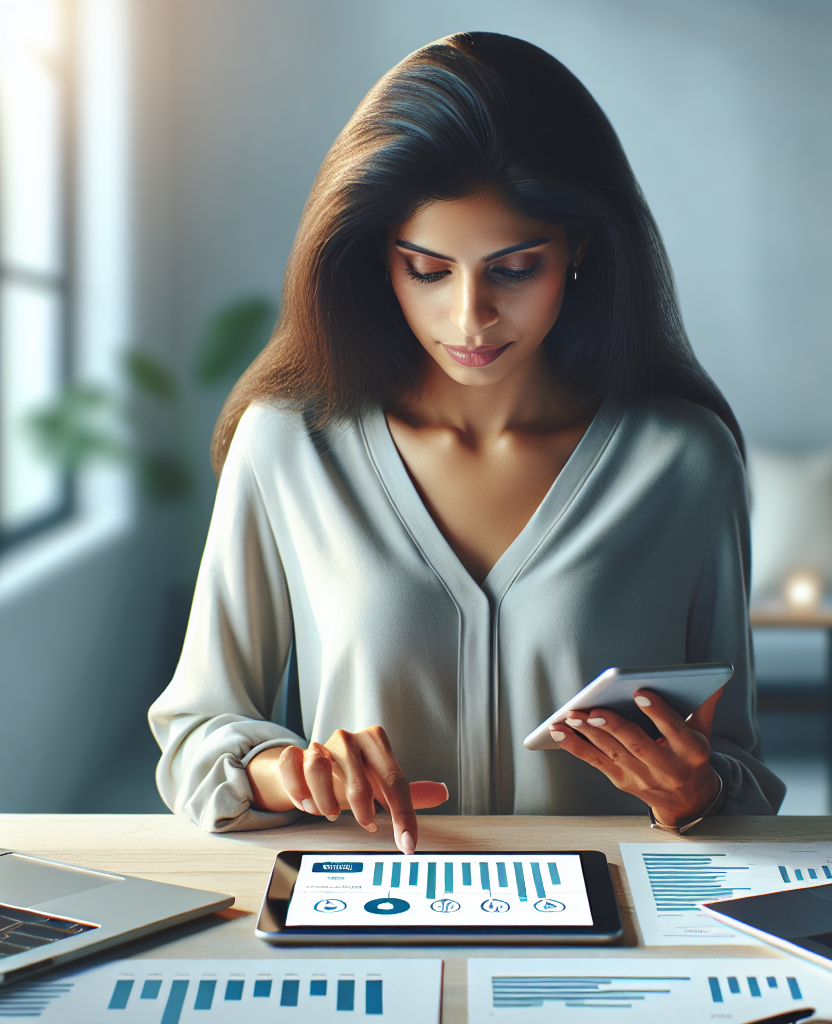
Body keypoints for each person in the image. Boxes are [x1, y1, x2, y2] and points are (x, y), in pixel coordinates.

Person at [149, 32, 785, 854]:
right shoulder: (289, 444)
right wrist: (285, 768)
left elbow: (738, 769)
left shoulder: (685, 459)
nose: (470, 317)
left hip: (610, 935)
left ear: (581, 247)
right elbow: (198, 730)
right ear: (380, 256)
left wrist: (693, 792)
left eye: (515, 268)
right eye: (428, 269)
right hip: (368, 925)